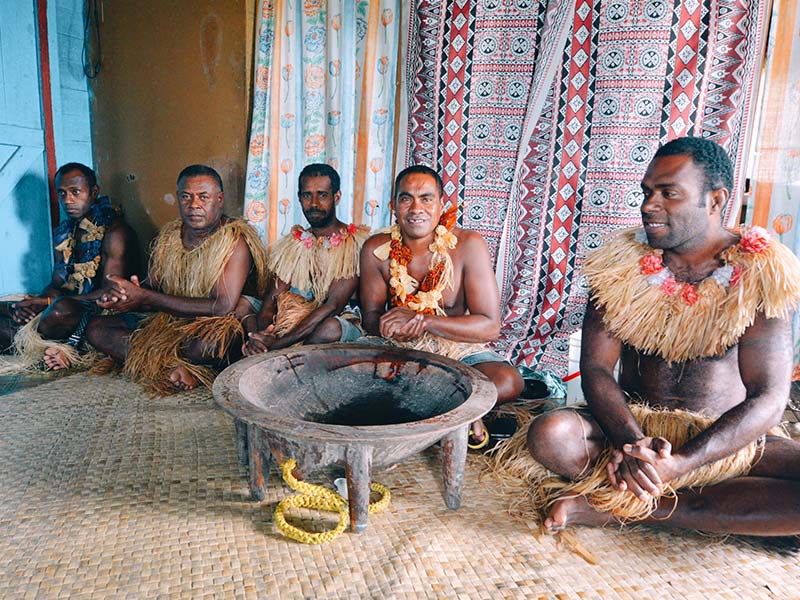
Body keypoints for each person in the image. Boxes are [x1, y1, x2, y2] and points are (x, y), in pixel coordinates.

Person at [513, 137, 800, 536]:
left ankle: (622, 509)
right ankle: (697, 504)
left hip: (724, 441)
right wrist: (632, 445)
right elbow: (595, 367)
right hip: (631, 429)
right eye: (647, 192)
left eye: (669, 193)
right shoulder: (620, 265)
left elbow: (769, 396)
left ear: (715, 201)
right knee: (552, 436)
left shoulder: (760, 273)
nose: (649, 205)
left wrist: (681, 462)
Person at [359, 165, 523, 448]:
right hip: (402, 349)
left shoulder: (468, 244)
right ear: (393, 206)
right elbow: (370, 319)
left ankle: (443, 407)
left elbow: (489, 326)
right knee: (356, 378)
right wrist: (389, 325)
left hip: (456, 347)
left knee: (508, 381)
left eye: (426, 198)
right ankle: (462, 410)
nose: (416, 208)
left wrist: (425, 321)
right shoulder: (376, 249)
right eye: (406, 198)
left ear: (441, 205)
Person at [85, 165, 268, 394]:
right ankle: (173, 367)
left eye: (203, 197)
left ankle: (175, 365)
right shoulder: (171, 235)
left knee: (208, 346)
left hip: (215, 323)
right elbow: (152, 286)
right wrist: (127, 294)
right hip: (170, 322)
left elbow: (222, 306)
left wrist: (146, 296)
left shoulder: (234, 240)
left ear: (219, 199)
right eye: (185, 197)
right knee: (96, 329)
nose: (194, 205)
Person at [0, 162, 138, 372]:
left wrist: (46, 302)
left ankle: (36, 344)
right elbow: (56, 283)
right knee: (11, 307)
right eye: (62, 193)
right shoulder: (67, 232)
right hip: (59, 306)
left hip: (96, 314)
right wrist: (33, 306)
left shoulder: (115, 232)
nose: (68, 200)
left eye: (75, 192)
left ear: (93, 192)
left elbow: (110, 294)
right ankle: (35, 341)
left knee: (60, 310)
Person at [242, 163, 369, 355]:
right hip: (290, 320)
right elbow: (271, 300)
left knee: (329, 328)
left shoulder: (353, 243)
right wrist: (264, 334)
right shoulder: (294, 243)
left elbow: (332, 306)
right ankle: (256, 346)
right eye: (307, 195)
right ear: (300, 198)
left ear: (337, 197)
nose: (314, 203)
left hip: (336, 321)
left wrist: (277, 344)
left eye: (322, 195)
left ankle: (287, 357)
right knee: (243, 304)